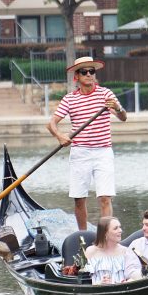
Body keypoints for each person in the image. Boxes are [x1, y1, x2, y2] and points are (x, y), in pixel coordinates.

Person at [47, 56, 127, 230]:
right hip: (80, 153)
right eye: (84, 72)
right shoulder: (70, 99)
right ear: (77, 76)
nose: (89, 74)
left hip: (103, 152)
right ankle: (82, 236)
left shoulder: (106, 94)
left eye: (92, 71)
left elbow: (123, 117)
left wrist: (118, 108)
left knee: (105, 197)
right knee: (79, 198)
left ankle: (106, 236)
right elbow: (51, 123)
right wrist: (60, 136)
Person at [85, 216, 142, 285]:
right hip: (98, 293)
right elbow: (85, 281)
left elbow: (135, 275)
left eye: (119, 227)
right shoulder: (91, 251)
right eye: (115, 228)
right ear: (105, 233)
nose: (120, 230)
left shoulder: (126, 251)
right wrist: (100, 283)